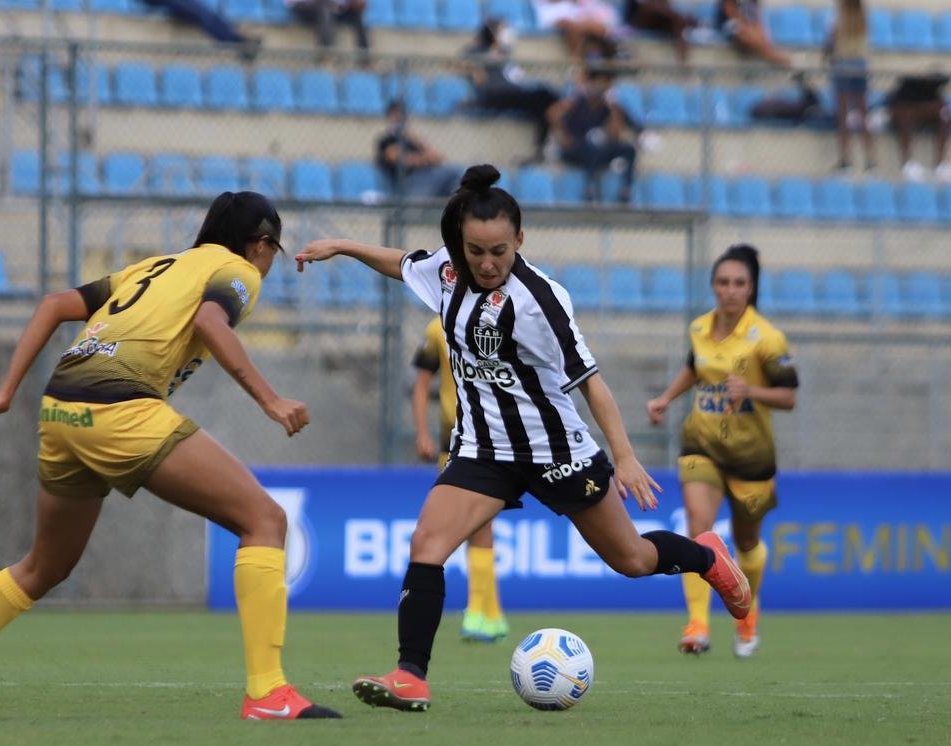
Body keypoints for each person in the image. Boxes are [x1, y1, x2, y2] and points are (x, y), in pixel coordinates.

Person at [294, 164, 752, 712]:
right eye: (475, 251)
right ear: (460, 243)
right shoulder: (448, 270)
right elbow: (403, 263)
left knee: (631, 559)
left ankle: (706, 557)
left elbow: (591, 382)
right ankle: (410, 675)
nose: (487, 263)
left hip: (556, 450)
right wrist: (343, 246)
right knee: (427, 544)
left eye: (499, 251)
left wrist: (625, 456)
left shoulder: (541, 301)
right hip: (483, 450)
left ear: (520, 241)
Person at [0, 192, 340, 721]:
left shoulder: (153, 266)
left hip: (60, 410)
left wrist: (7, 391)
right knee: (264, 520)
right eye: (273, 251)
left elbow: (53, 305)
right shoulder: (238, 271)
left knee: (43, 566)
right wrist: (271, 400)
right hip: (118, 409)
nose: (270, 261)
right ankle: (267, 693)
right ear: (261, 243)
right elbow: (210, 322)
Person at [645, 244, 798, 659]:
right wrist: (666, 398)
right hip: (703, 444)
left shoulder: (767, 338)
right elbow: (695, 368)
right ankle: (697, 624)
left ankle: (747, 614)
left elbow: (788, 396)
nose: (730, 290)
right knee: (699, 527)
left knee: (747, 543)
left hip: (751, 457)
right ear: (713, 286)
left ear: (751, 289)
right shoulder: (700, 327)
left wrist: (752, 391)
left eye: (739, 283)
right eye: (723, 282)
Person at [411, 316, 508, 642]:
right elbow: (422, 383)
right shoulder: (438, 327)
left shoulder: (500, 320)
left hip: (493, 437)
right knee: (473, 524)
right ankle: (489, 613)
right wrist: (422, 432)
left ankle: (482, 613)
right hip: (454, 440)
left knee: (478, 522)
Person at [461, 18, 562, 165]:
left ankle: (542, 147)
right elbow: (469, 66)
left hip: (514, 93)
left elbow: (517, 77)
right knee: (545, 96)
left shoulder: (506, 53)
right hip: (494, 95)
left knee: (544, 103)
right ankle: (546, 145)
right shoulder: (479, 50)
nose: (507, 33)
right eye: (503, 30)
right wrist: (486, 56)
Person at [547, 65, 638, 203]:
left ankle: (626, 189)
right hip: (574, 149)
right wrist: (563, 135)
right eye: (597, 82)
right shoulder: (577, 101)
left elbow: (616, 135)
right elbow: (552, 114)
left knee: (628, 149)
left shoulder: (607, 107)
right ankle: (590, 188)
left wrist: (612, 105)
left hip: (597, 150)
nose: (599, 87)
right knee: (590, 148)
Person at [376, 100, 465, 199]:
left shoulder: (412, 140)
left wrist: (416, 139)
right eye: (395, 116)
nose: (399, 119)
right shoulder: (386, 140)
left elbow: (438, 158)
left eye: (401, 115)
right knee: (453, 173)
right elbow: (400, 159)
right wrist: (423, 159)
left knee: (457, 171)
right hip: (405, 183)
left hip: (426, 178)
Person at [825, 0, 875, 173]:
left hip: (843, 63)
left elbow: (831, 40)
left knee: (843, 115)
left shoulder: (838, 14)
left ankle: (846, 159)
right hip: (860, 64)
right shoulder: (862, 15)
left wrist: (826, 55)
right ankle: (870, 159)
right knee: (863, 114)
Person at [886, 73, 951, 183]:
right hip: (907, 117)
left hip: (926, 118)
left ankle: (941, 165)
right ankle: (908, 164)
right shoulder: (907, 90)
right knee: (904, 119)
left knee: (945, 118)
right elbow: (896, 107)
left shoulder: (934, 94)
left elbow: (949, 114)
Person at [532, 0, 622, 62]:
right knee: (572, 27)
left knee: (597, 28)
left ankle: (606, 66)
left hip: (578, 20)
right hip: (553, 20)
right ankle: (579, 65)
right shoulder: (548, 8)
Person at [285, 0, 370, 63]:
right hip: (303, 5)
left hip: (331, 8)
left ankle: (365, 57)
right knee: (325, 9)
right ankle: (326, 54)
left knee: (356, 14)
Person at [716, 0, 792, 68]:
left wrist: (759, 33)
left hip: (748, 25)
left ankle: (768, 53)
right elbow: (731, 12)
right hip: (729, 23)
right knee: (741, 31)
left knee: (759, 34)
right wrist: (748, 28)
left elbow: (757, 17)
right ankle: (770, 55)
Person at [623, 0, 698, 64]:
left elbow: (666, 6)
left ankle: (682, 62)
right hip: (638, 18)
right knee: (677, 20)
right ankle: (682, 61)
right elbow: (646, 7)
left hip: (660, 19)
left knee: (678, 23)